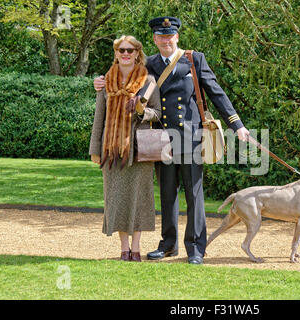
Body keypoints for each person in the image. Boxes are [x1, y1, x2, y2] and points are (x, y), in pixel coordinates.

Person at [94, 17, 249, 265]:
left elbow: (215, 92)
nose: (166, 40)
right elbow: (124, 77)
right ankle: (168, 245)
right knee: (167, 194)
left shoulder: (194, 60)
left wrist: (236, 124)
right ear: (154, 40)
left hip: (190, 138)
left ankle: (196, 248)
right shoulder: (149, 64)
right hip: (162, 139)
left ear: (177, 37)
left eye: (170, 36)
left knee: (194, 195)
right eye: (161, 36)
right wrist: (100, 82)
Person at [89, 35, 161, 262]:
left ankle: (137, 247)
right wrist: (95, 149)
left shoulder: (148, 81)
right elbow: (99, 118)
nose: (126, 54)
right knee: (117, 198)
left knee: (139, 198)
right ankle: (123, 248)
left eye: (131, 50)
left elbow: (157, 113)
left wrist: (141, 111)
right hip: (112, 152)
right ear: (116, 53)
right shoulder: (105, 82)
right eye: (122, 50)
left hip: (139, 150)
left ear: (138, 53)